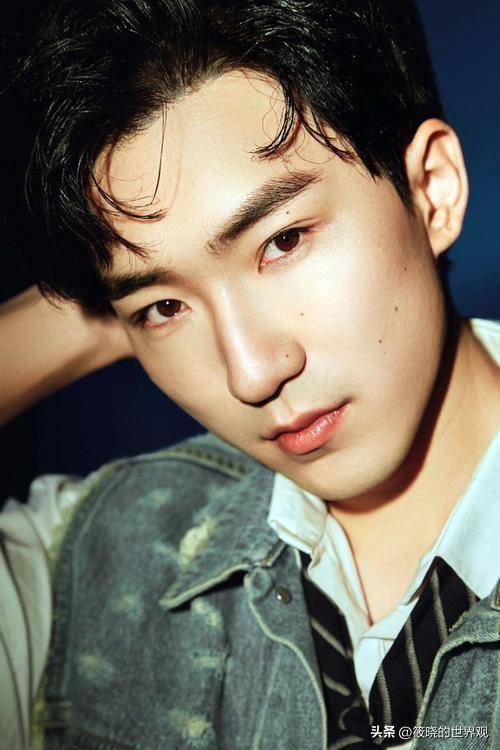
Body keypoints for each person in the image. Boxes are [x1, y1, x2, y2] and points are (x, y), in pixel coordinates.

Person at [1, 1, 499, 748]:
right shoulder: (95, 557)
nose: (252, 373)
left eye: (284, 240)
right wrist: (99, 299)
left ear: (433, 187)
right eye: (165, 309)